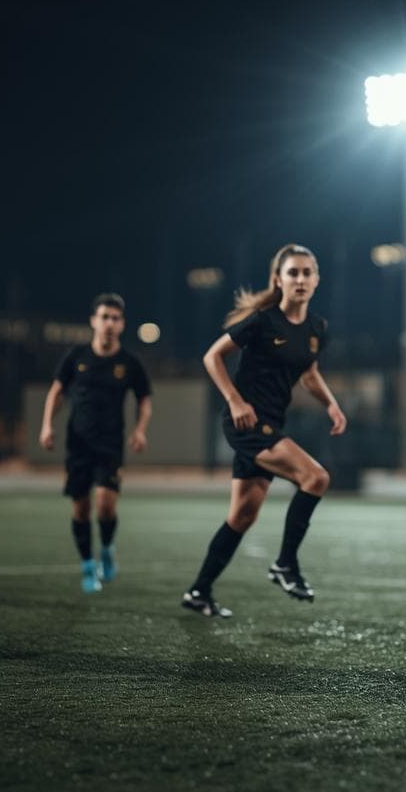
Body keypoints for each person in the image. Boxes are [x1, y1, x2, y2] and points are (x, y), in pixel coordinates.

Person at [181, 244, 348, 618]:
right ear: (279, 280)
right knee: (316, 477)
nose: (300, 279)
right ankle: (286, 564)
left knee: (242, 516)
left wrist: (331, 404)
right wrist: (235, 401)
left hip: (273, 423)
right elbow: (212, 356)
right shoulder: (261, 321)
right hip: (248, 424)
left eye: (307, 272)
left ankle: (199, 592)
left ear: (317, 280)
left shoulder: (316, 329)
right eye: (293, 273)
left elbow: (309, 372)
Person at [40, 293, 152, 593]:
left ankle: (107, 547)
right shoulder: (76, 356)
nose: (109, 323)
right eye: (104, 317)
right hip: (78, 444)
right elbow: (56, 392)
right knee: (80, 508)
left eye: (115, 318)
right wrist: (47, 425)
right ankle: (88, 566)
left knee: (105, 505)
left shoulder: (129, 362)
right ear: (93, 321)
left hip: (110, 445)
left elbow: (144, 398)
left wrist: (140, 430)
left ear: (122, 324)